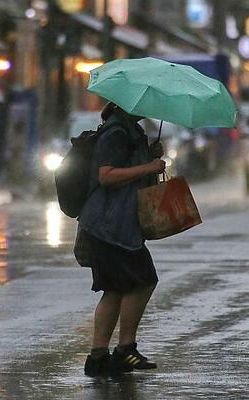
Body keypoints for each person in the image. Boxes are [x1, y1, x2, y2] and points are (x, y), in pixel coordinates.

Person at [79, 102, 166, 377]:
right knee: (143, 280)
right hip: (111, 225)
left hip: (112, 224)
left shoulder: (129, 130)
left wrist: (148, 157)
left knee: (115, 288)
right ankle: (125, 349)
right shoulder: (116, 132)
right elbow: (107, 176)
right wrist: (148, 166)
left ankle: (98, 358)